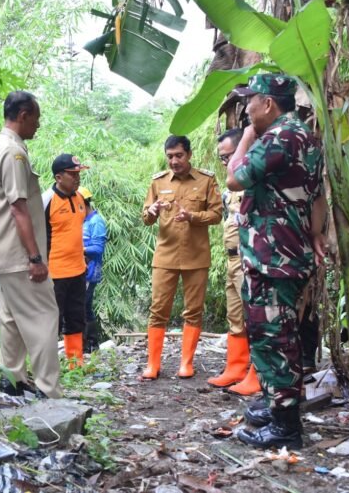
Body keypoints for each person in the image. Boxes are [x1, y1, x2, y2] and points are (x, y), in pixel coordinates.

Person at [225, 74, 327, 450]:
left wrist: (248, 137)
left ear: (268, 103)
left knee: (273, 336)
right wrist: (316, 233)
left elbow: (235, 179)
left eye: (249, 100)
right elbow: (316, 195)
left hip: (273, 255)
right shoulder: (305, 136)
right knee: (278, 333)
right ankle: (276, 404)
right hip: (286, 251)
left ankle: (285, 426)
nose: (246, 108)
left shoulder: (277, 138)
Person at [0, 91, 63, 399]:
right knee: (44, 316)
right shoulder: (14, 153)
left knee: (11, 318)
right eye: (36, 118)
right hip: (20, 255)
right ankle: (48, 389)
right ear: (23, 116)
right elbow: (19, 208)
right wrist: (35, 257)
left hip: (4, 252)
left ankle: (12, 379)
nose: (38, 125)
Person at [141, 135, 223, 380]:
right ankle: (152, 364)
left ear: (189, 154)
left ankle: (186, 363)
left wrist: (193, 217)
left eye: (179, 155)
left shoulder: (206, 180)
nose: (174, 161)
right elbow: (145, 217)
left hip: (196, 255)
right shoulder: (158, 181)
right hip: (165, 255)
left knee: (194, 311)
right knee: (158, 310)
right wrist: (152, 211)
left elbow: (217, 214)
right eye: (170, 156)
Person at [207, 129, 260, 396]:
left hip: (249, 257)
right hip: (231, 258)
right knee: (235, 314)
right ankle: (236, 367)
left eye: (228, 156)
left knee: (254, 315)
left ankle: (256, 373)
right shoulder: (234, 184)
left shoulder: (253, 178)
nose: (225, 162)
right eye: (222, 158)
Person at [42, 154, 90, 368]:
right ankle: (49, 367)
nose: (77, 178)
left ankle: (75, 363)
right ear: (58, 177)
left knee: (76, 317)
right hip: (54, 273)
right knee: (52, 321)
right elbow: (36, 237)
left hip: (78, 271)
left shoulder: (80, 198)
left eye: (78, 173)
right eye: (72, 174)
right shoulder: (45, 201)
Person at [80, 186, 107, 353]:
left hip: (90, 272)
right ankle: (91, 344)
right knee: (85, 306)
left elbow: (98, 249)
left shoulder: (96, 222)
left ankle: (88, 344)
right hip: (80, 272)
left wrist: (75, 248)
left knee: (82, 306)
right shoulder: (82, 221)